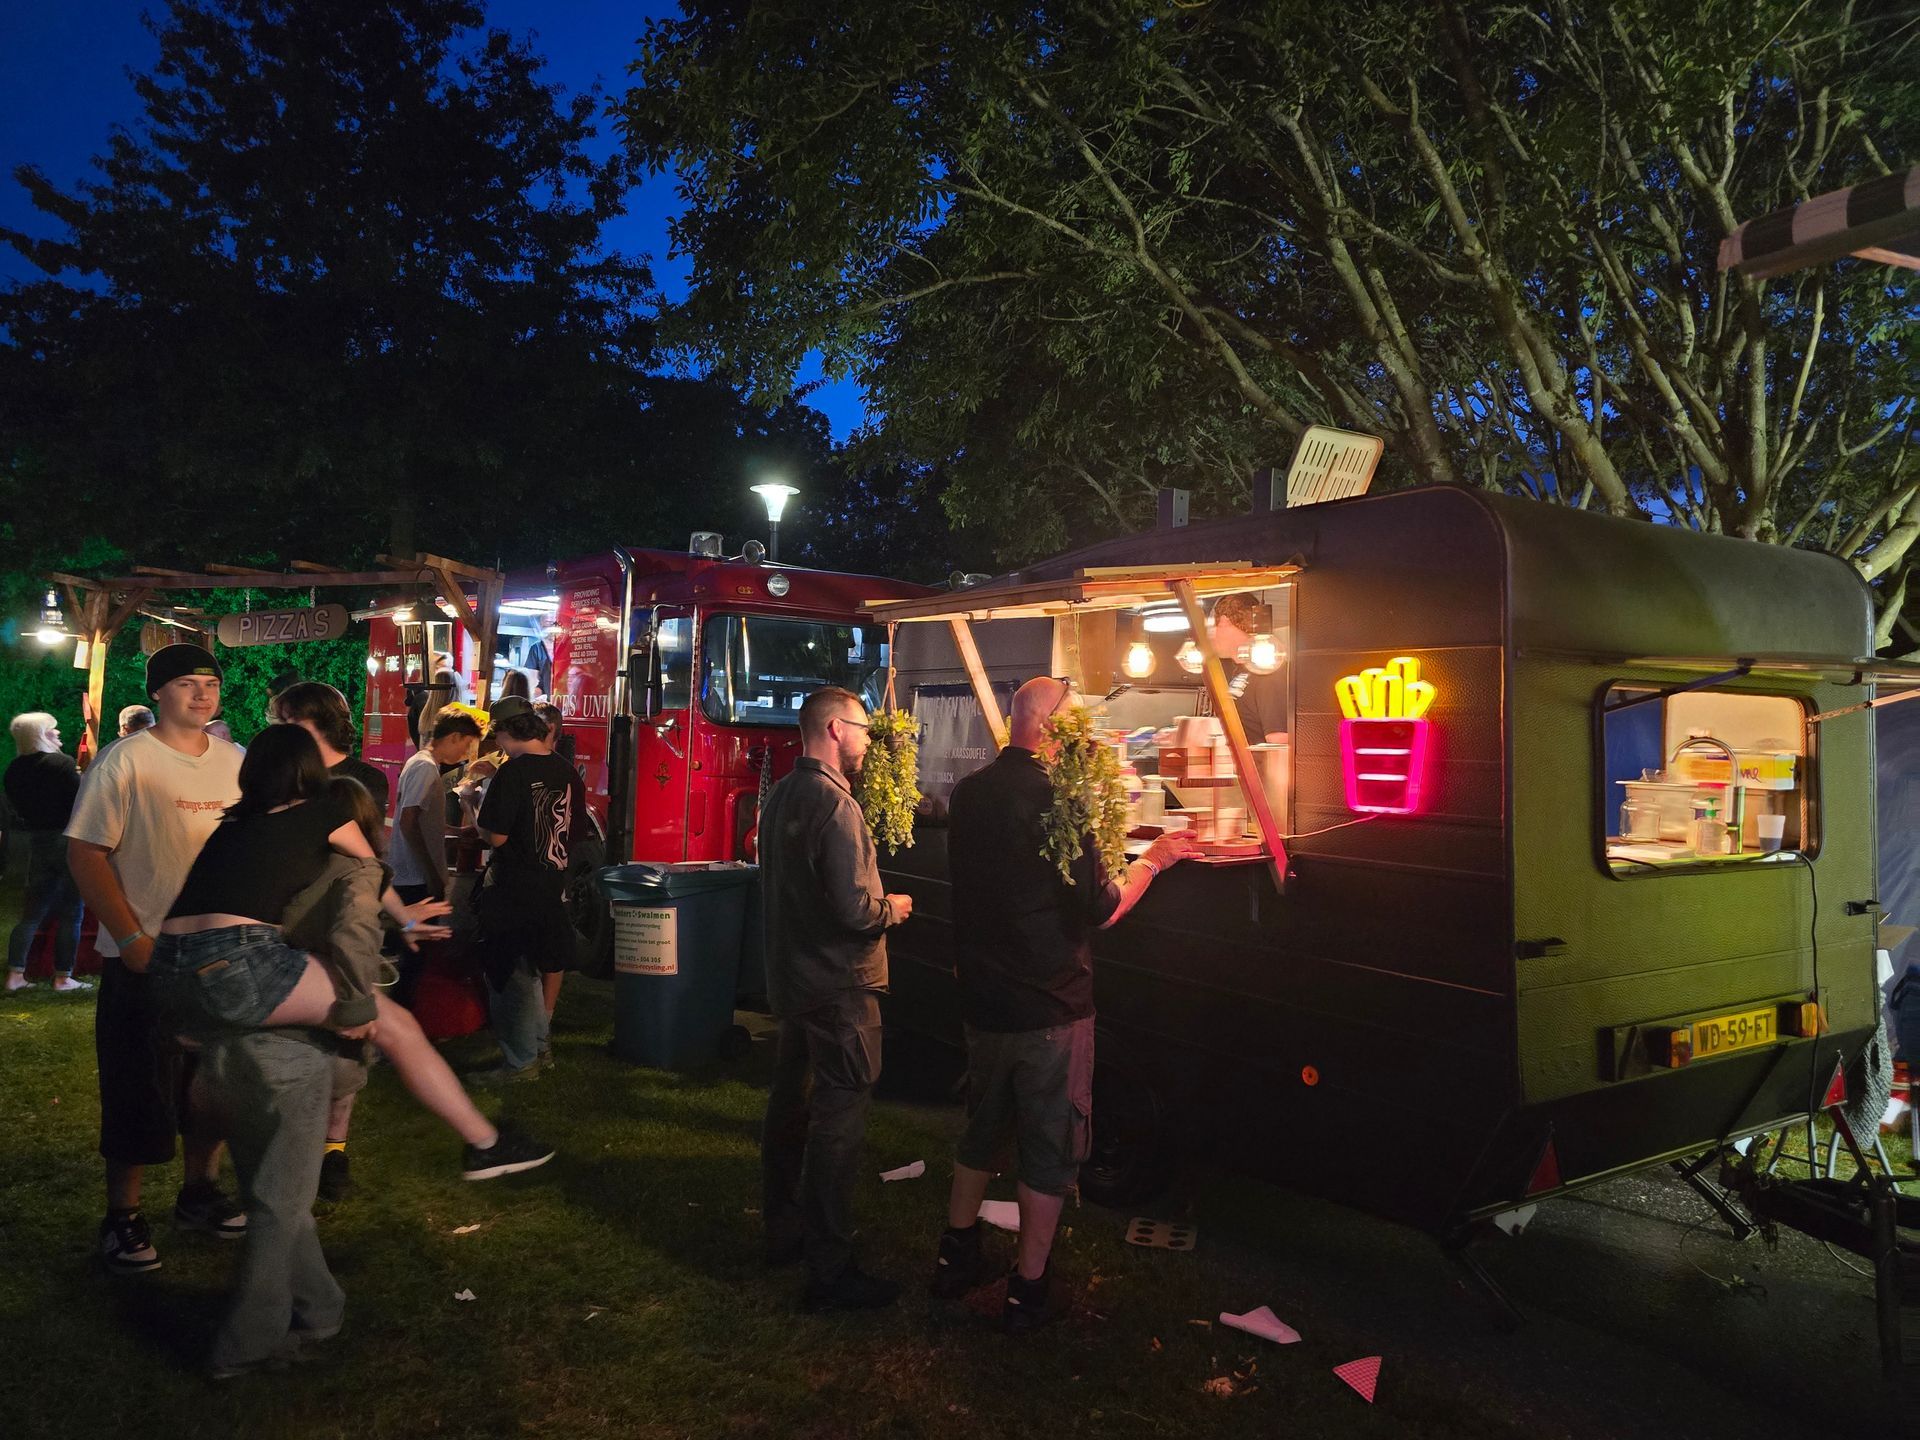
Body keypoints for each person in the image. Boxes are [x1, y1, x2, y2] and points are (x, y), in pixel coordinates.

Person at [147, 727, 551, 1377]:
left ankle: (320, 1306)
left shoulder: (235, 825)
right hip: (240, 963)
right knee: (393, 1021)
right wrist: (393, 942)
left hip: (170, 969)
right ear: (309, 773)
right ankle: (484, 1141)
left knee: (279, 1187)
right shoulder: (326, 809)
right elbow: (369, 876)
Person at [932, 677, 1194, 1332]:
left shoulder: (970, 793)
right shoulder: (1061, 801)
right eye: (1078, 722)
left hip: (984, 1001)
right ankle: (1028, 1291)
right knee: (1049, 1150)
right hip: (1050, 1007)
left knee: (981, 1131)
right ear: (1053, 727)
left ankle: (955, 1258)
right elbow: (1103, 909)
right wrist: (1154, 860)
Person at [66, 643, 248, 1274]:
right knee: (138, 1084)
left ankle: (200, 1191)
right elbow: (86, 852)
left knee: (212, 1084)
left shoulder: (236, 762)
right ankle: (123, 1215)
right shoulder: (126, 761)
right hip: (144, 953)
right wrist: (130, 937)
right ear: (158, 692)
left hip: (217, 952)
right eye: (186, 683)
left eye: (210, 683)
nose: (202, 694)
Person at [759, 686, 914, 1312]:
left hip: (796, 981)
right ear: (834, 729)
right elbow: (854, 908)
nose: (869, 741)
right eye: (864, 729)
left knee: (791, 1108)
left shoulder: (781, 795)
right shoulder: (835, 804)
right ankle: (829, 1268)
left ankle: (783, 1229)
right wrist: (892, 908)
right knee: (837, 1123)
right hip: (841, 985)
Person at [472, 696, 586, 1081]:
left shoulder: (513, 773)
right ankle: (539, 1049)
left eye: (498, 737)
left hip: (514, 887)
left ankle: (520, 1063)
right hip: (552, 885)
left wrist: (473, 807)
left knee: (511, 974)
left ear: (507, 732)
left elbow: (496, 836)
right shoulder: (567, 771)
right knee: (534, 971)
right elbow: (575, 832)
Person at [5, 712, 90, 993]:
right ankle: (63, 977)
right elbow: (81, 801)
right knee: (72, 912)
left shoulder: (14, 770)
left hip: (38, 840)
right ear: (41, 734)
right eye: (53, 730)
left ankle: (15, 975)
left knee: (32, 913)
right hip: (67, 838)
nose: (58, 734)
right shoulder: (61, 764)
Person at [393, 711, 481, 906]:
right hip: (416, 880)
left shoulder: (422, 762)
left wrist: (457, 831)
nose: (466, 753)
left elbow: (422, 821)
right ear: (454, 737)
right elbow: (408, 821)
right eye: (467, 744)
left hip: (416, 878)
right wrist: (430, 873)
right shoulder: (424, 767)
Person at [272, 680, 390, 814]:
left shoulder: (367, 779)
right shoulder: (283, 775)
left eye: (295, 720)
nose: (286, 730)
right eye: (284, 721)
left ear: (326, 722)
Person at [1205, 592, 1287, 744]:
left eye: (1211, 627)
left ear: (1224, 621)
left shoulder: (1268, 671)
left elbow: (1279, 739)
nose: (1209, 636)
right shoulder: (1240, 671)